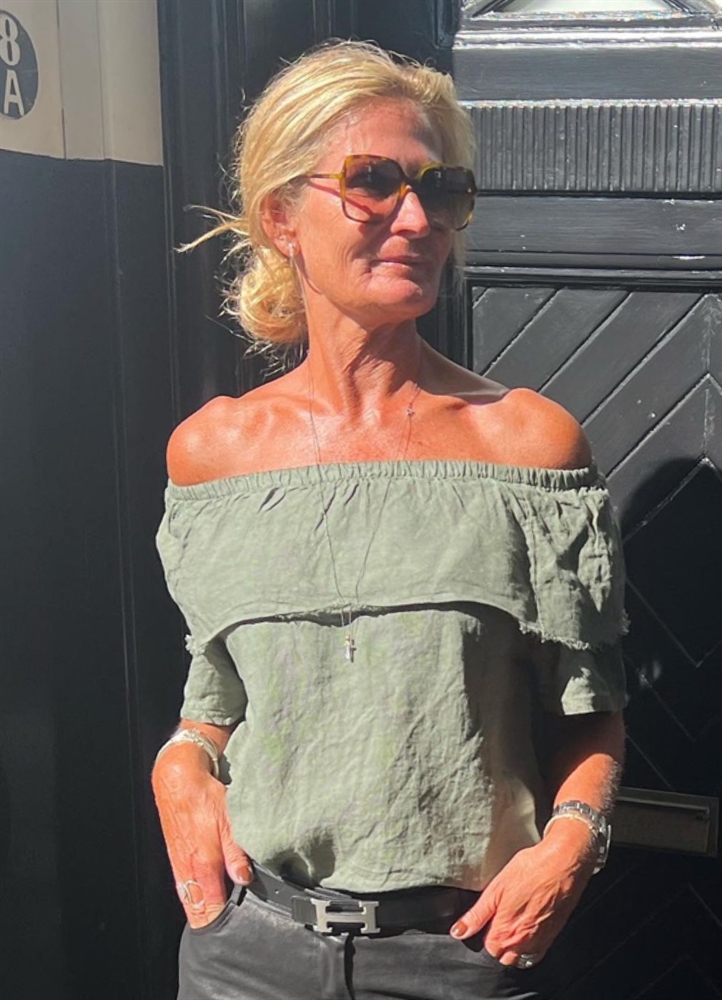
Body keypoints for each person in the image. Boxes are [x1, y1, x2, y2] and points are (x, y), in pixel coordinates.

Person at [151, 40, 627, 1000]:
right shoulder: (213, 454)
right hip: (248, 953)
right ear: (281, 216)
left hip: (463, 954)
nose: (416, 219)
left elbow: (590, 710)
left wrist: (573, 843)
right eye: (372, 182)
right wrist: (179, 765)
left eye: (439, 190)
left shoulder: (526, 447)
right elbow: (220, 695)